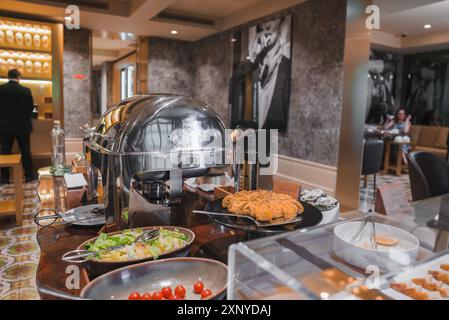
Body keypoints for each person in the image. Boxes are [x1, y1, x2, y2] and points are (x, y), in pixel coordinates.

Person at [0, 69, 37, 183]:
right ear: (18, 77)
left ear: (8, 76)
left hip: (5, 126)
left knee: (5, 151)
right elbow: (31, 108)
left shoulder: (1, 89)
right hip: (23, 126)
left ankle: (4, 177)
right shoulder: (26, 91)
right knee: (25, 151)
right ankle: (29, 175)